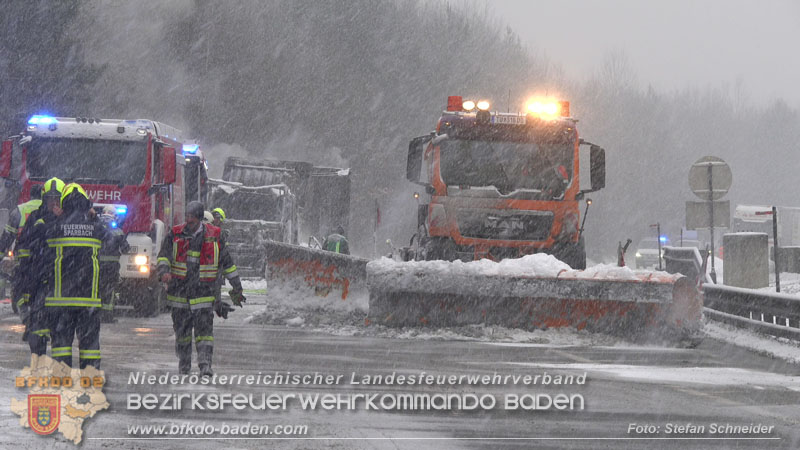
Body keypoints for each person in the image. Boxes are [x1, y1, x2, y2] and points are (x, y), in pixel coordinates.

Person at [157, 201, 245, 376]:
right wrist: (164, 271)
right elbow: (164, 256)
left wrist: (237, 288)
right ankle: (184, 364)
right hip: (179, 293)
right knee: (182, 333)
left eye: (191, 217)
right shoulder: (175, 234)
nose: (188, 220)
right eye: (187, 216)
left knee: (204, 332)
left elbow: (227, 263)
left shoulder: (215, 236)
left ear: (199, 218)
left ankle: (205, 364)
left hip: (203, 293)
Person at [36, 183, 110, 369]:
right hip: (88, 301)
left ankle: (62, 381)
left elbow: (41, 249)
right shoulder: (95, 228)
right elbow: (114, 241)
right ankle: (89, 380)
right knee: (90, 346)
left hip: (61, 301)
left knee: (61, 346)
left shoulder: (55, 226)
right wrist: (96, 219)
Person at [18, 178, 64, 353]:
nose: (53, 202)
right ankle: (38, 357)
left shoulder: (69, 219)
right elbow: (24, 247)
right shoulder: (36, 217)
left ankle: (60, 360)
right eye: (50, 198)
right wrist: (26, 275)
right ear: (44, 199)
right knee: (37, 324)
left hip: (61, 282)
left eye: (57, 198)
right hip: (39, 280)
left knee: (60, 327)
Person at [0, 185, 42, 317]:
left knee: (21, 281)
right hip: (43, 253)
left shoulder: (20, 210)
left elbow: (7, 237)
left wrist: (1, 255)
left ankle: (23, 307)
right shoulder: (49, 208)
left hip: (24, 254)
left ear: (30, 195)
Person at [97, 206, 129, 323]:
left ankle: (96, 314)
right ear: (114, 216)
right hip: (111, 267)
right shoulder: (118, 231)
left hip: (97, 265)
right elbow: (126, 249)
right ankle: (107, 315)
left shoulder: (96, 227)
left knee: (96, 289)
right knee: (109, 291)